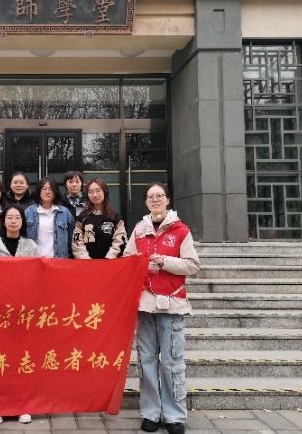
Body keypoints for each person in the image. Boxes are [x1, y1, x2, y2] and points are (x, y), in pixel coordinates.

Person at [123, 182, 200, 434]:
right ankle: (150, 413)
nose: (155, 200)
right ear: (146, 202)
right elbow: (127, 260)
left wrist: (165, 261)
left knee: (171, 361)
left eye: (159, 196)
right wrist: (135, 262)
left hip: (172, 305)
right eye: (150, 197)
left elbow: (192, 265)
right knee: (146, 361)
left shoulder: (181, 230)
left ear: (168, 200)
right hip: (145, 304)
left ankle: (175, 415)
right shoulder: (139, 230)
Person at [0, 204, 41, 426]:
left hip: (24, 313)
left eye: (17, 217)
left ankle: (22, 406)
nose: (13, 221)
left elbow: (40, 276)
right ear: (3, 221)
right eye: (10, 217)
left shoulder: (31, 247)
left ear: (23, 222)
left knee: (22, 360)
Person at [72, 177, 126, 259]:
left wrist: (109, 258)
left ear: (105, 191)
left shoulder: (115, 217)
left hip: (110, 263)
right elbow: (77, 242)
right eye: (90, 192)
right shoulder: (82, 218)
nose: (95, 195)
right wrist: (86, 260)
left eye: (98, 191)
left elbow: (120, 240)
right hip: (87, 264)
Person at [24, 176, 74, 259]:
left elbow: (70, 239)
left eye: (51, 189)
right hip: (35, 261)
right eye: (44, 189)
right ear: (39, 191)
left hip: (59, 261)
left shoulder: (65, 213)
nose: (47, 192)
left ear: (55, 192)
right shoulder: (29, 212)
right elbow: (23, 239)